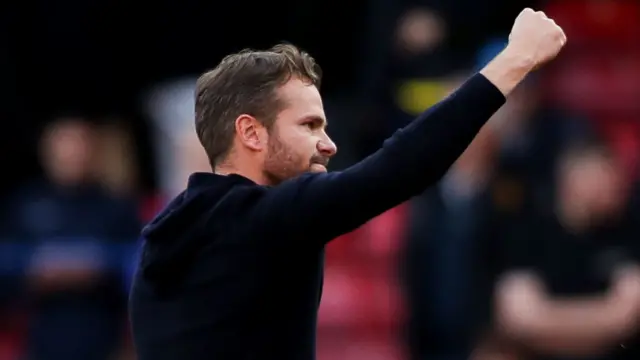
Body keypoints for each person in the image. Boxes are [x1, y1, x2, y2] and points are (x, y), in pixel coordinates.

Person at [129, 8, 566, 360]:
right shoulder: (263, 219)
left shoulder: (166, 235)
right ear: (251, 133)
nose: (329, 145)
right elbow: (399, 168)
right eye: (309, 126)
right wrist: (514, 60)